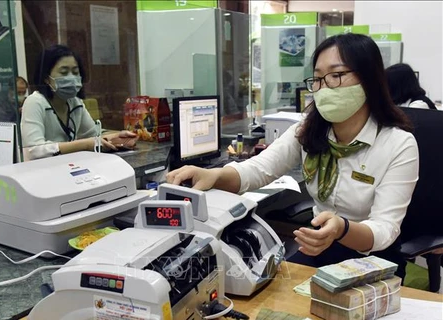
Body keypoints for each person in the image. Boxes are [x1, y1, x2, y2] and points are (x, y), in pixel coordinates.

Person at [166, 33, 419, 281]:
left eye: (336, 75)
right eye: (318, 78)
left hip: (374, 259)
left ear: (368, 79)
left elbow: (385, 229)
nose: (323, 87)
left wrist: (342, 228)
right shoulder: (309, 130)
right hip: (320, 246)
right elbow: (259, 169)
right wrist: (213, 175)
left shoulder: (398, 144)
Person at [21, 44, 137, 160]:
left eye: (75, 72)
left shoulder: (75, 102)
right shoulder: (35, 102)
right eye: (64, 72)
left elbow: (93, 134)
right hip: (40, 172)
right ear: (46, 78)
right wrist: (85, 145)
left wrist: (117, 136)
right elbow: (33, 151)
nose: (71, 77)